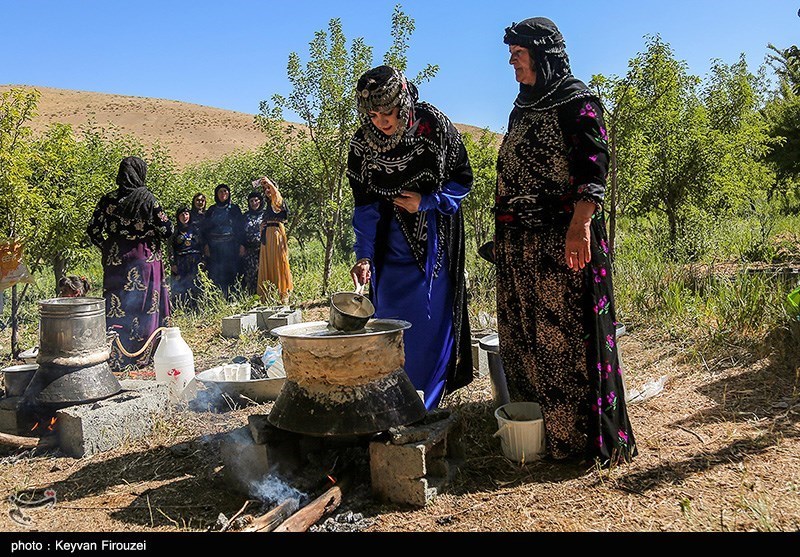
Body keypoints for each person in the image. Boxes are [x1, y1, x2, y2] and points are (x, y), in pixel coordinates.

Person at [494, 17, 636, 466]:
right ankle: (539, 432)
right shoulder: (522, 107)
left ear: (542, 54)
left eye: (518, 53)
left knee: (566, 339)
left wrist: (580, 226)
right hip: (522, 247)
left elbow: (595, 167)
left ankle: (576, 440)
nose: (512, 61)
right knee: (528, 339)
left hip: (563, 243)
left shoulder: (577, 102)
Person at [347, 65, 473, 411]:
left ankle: (424, 408)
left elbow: (463, 177)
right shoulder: (361, 144)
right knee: (389, 327)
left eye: (388, 112)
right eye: (373, 114)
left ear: (402, 102)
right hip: (389, 249)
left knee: (428, 325)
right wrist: (364, 256)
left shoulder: (433, 125)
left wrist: (428, 201)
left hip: (433, 245)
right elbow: (365, 206)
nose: (382, 121)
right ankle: (392, 406)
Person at [86, 156, 173, 370]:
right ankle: (144, 355)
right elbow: (167, 230)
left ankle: (117, 354)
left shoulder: (108, 200)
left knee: (118, 305)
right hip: (145, 258)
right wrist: (148, 233)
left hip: (117, 260)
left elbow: (93, 230)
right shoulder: (149, 200)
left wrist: (108, 247)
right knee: (147, 306)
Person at [202, 184, 243, 298]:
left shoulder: (234, 209)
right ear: (216, 194)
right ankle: (218, 298)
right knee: (216, 273)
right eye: (220, 191)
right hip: (215, 248)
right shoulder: (212, 210)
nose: (223, 193)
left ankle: (234, 298)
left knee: (232, 272)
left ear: (229, 193)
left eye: (225, 191)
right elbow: (205, 229)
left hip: (231, 246)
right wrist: (206, 245)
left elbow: (240, 228)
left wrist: (241, 245)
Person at [256, 176, 293, 304]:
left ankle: (282, 294)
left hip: (276, 233)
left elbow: (276, 195)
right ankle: (268, 295)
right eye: (265, 188)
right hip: (267, 235)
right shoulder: (267, 205)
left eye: (269, 188)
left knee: (278, 262)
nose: (267, 190)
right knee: (267, 262)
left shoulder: (278, 201)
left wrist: (270, 183)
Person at [168, 204, 204, 308]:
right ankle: (181, 308)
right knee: (181, 286)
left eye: (187, 214)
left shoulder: (196, 229)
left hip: (195, 261)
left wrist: (203, 260)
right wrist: (172, 263)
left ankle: (197, 308)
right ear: (178, 217)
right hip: (180, 261)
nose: (185, 216)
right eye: (182, 214)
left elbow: (202, 245)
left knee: (196, 284)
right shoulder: (174, 231)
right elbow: (170, 248)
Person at [241, 190, 265, 296]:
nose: (254, 203)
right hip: (249, 249)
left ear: (260, 201)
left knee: (263, 272)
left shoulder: (265, 215)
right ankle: (252, 297)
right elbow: (240, 232)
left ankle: (265, 295)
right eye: (251, 201)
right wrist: (241, 245)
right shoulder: (245, 216)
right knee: (251, 274)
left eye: (256, 200)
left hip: (264, 248)